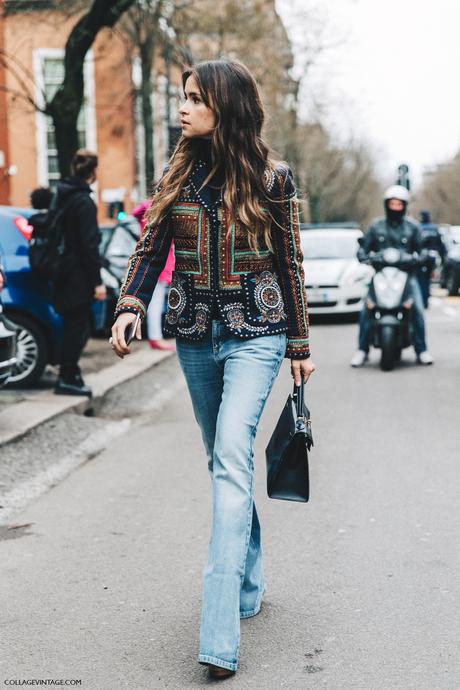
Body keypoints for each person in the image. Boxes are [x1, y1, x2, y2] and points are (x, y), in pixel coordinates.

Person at [110, 60, 315, 680]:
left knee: (231, 458)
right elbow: (149, 249)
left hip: (257, 333)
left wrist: (299, 345)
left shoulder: (272, 179)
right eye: (183, 97)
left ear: (225, 107)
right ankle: (249, 578)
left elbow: (291, 264)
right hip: (196, 335)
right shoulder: (177, 173)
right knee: (220, 460)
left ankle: (218, 635)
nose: (183, 108)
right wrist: (129, 304)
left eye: (195, 99)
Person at [351, 185, 434, 367]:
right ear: (386, 205)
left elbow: (423, 250)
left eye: (399, 204)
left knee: (417, 308)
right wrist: (365, 255)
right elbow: (363, 248)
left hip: (406, 275)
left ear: (404, 206)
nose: (395, 207)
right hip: (380, 275)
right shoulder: (376, 226)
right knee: (367, 309)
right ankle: (362, 350)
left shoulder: (413, 227)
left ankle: (422, 350)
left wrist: (420, 257)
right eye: (392, 204)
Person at [52, 149, 107, 396]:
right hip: (77, 275)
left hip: (61, 271)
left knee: (73, 326)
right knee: (78, 328)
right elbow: (89, 245)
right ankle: (67, 378)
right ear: (93, 172)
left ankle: (69, 375)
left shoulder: (63, 195)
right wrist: (97, 282)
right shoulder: (83, 201)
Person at [132, 200, 176, 350]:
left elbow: (134, 213)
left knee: (148, 302)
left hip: (148, 259)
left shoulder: (146, 210)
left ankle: (153, 337)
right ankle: (155, 337)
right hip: (161, 263)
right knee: (155, 304)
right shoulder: (164, 208)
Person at [416, 209, 446, 308]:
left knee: (421, 279)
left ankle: (423, 299)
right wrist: (443, 257)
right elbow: (441, 245)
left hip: (421, 258)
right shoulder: (434, 229)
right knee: (428, 279)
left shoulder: (418, 228)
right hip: (432, 257)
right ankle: (426, 297)